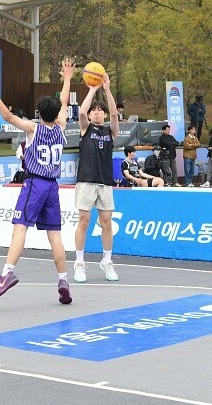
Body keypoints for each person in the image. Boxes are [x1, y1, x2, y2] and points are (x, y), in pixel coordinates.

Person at [0, 59, 75, 304]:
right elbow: (64, 101)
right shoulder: (61, 128)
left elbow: (7, 115)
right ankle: (63, 279)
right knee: (55, 236)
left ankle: (7, 274)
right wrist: (67, 78)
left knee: (20, 228)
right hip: (53, 186)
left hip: (35, 184)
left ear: (38, 113)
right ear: (57, 113)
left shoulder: (33, 129)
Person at [74, 70, 120, 284]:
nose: (97, 113)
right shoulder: (86, 128)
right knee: (84, 221)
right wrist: (92, 89)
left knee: (106, 222)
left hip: (105, 182)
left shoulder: (110, 132)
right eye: (95, 111)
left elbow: (115, 115)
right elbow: (81, 112)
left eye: (100, 111)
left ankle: (107, 261)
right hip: (86, 180)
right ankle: (79, 263)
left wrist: (107, 90)